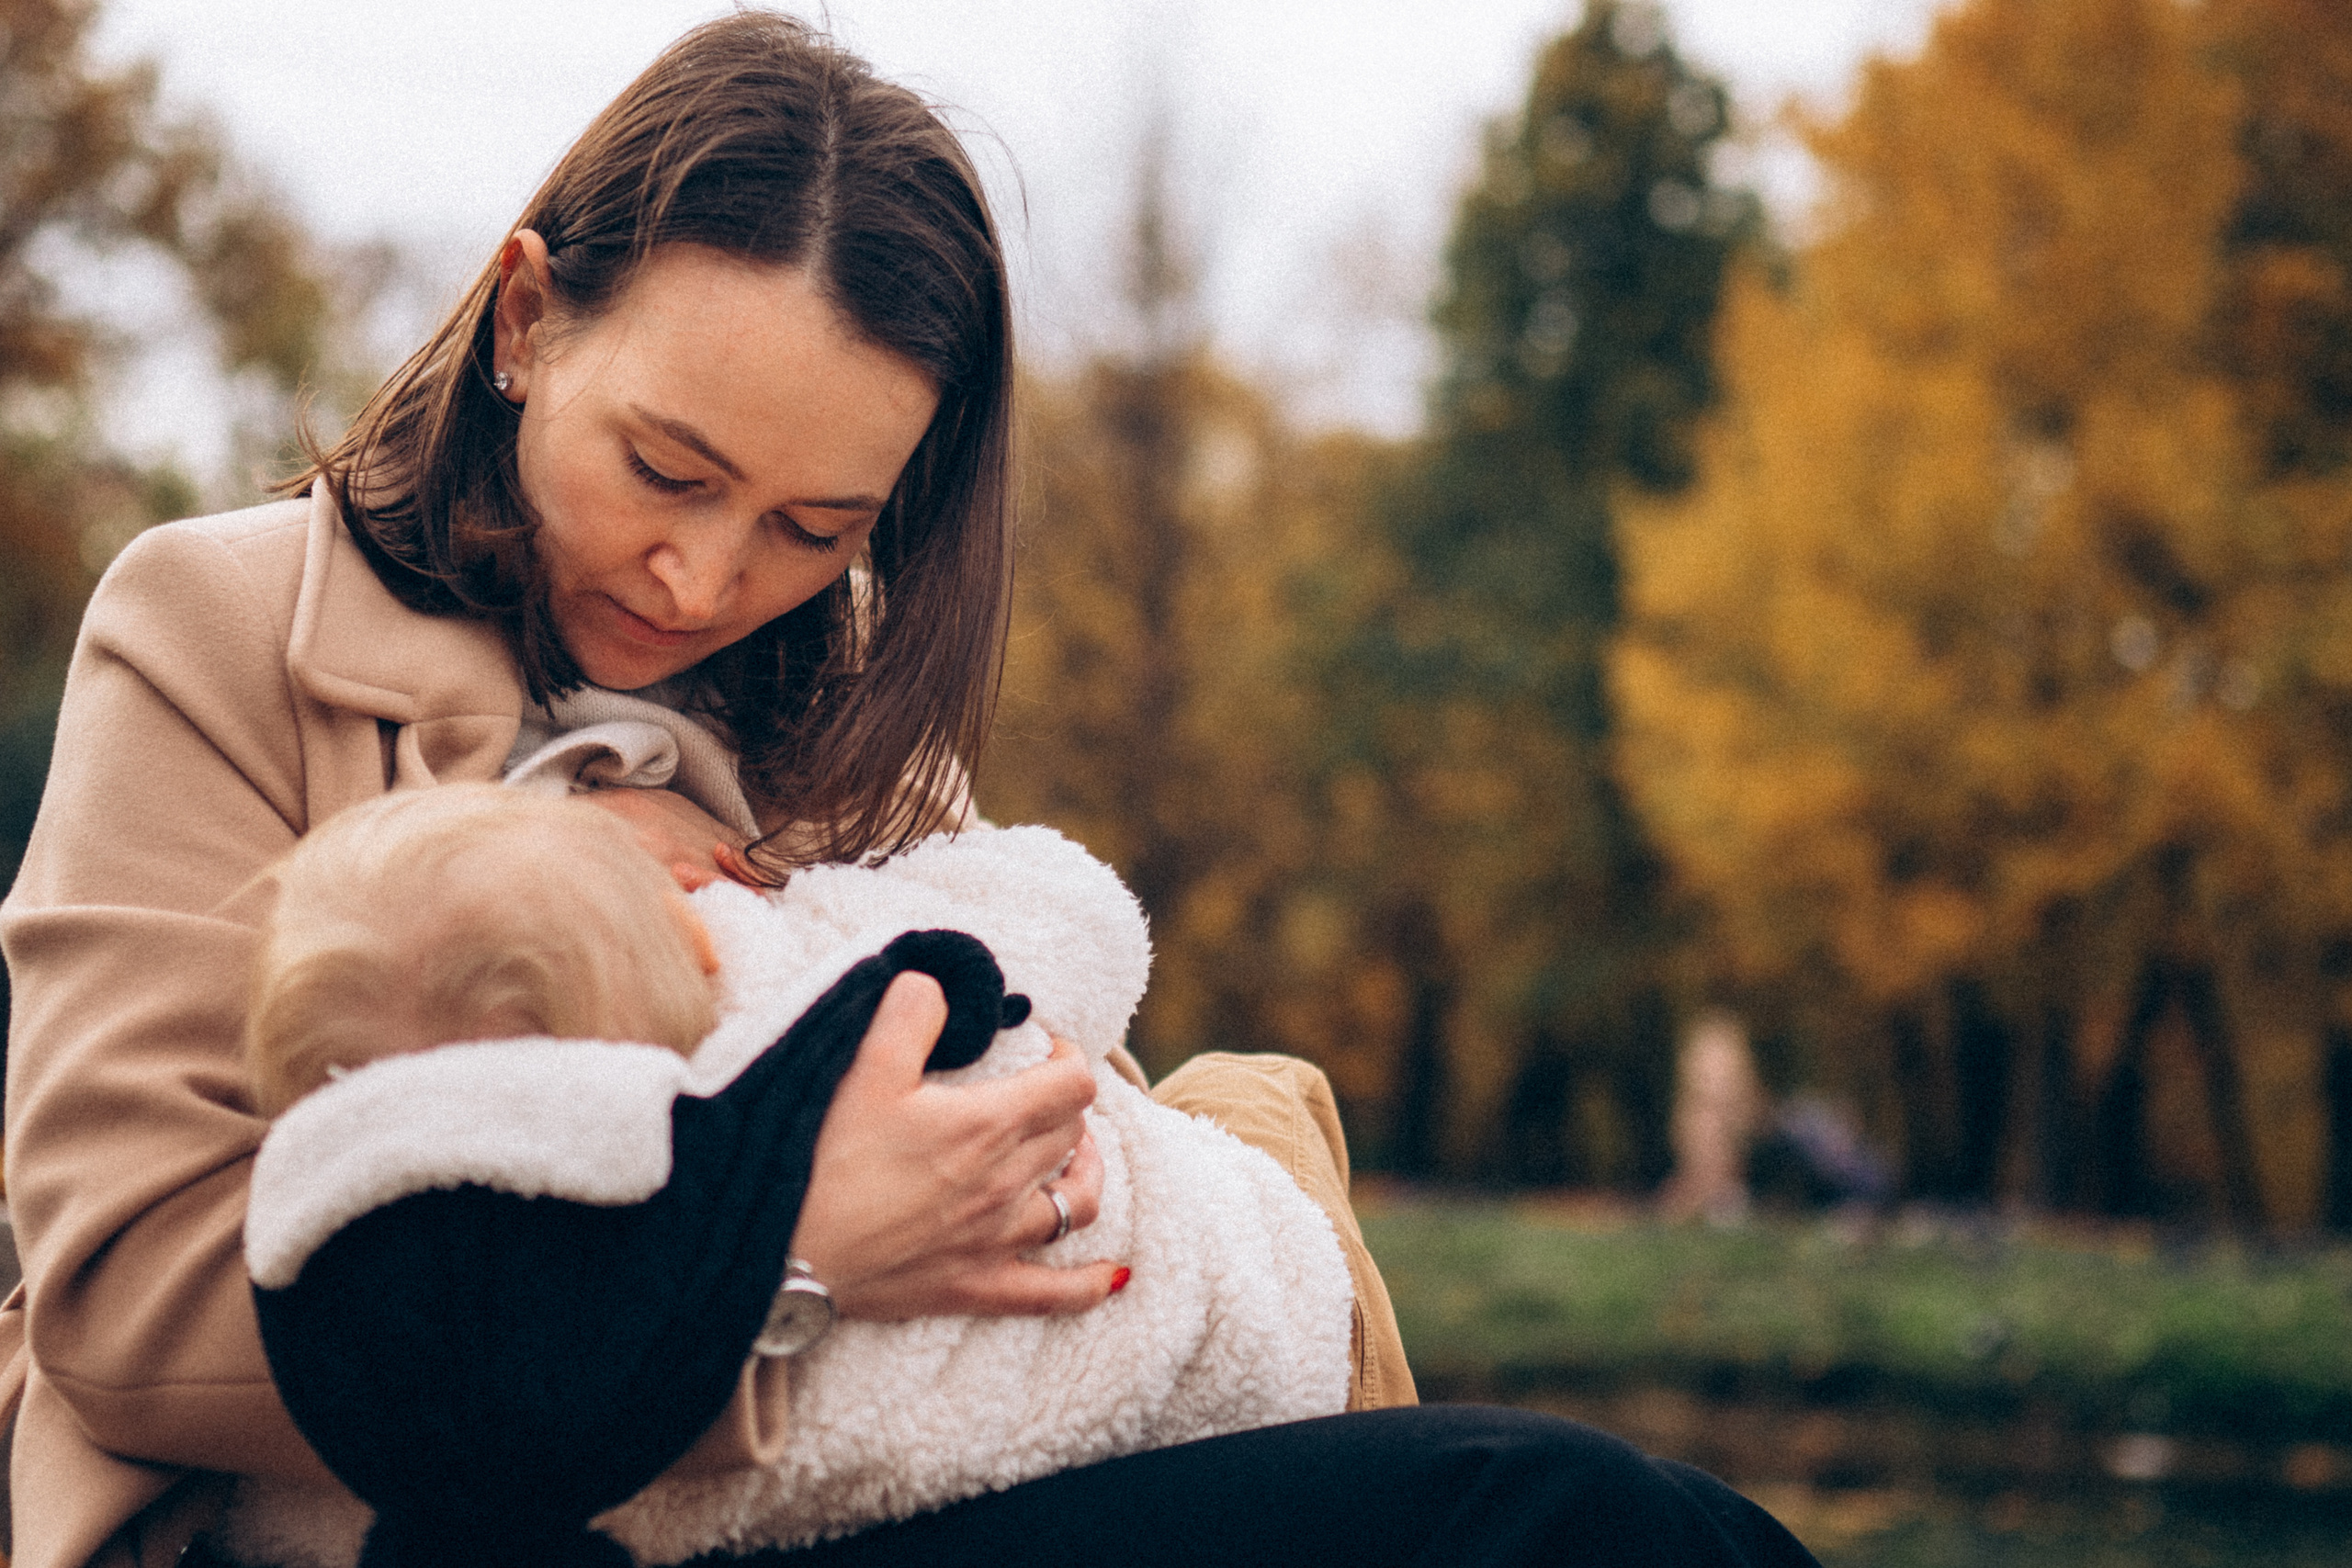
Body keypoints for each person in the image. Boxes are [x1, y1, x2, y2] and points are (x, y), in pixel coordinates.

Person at [0, 11, 1816, 1567]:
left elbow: (1044, 1167)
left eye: (816, 525)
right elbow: (125, 1302)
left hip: (860, 1502)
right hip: (432, 1528)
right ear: (527, 317)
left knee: (1611, 1521)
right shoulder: (217, 621)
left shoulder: (859, 725)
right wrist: (772, 1247)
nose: (707, 582)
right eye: (666, 468)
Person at [226, 784, 1351, 1562]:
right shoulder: (794, 986)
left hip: (1035, 1442)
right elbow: (1073, 921)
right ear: (697, 934)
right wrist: (778, 876)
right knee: (1269, 1099)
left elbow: (296, 1518)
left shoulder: (393, 1358)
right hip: (1235, 1302)